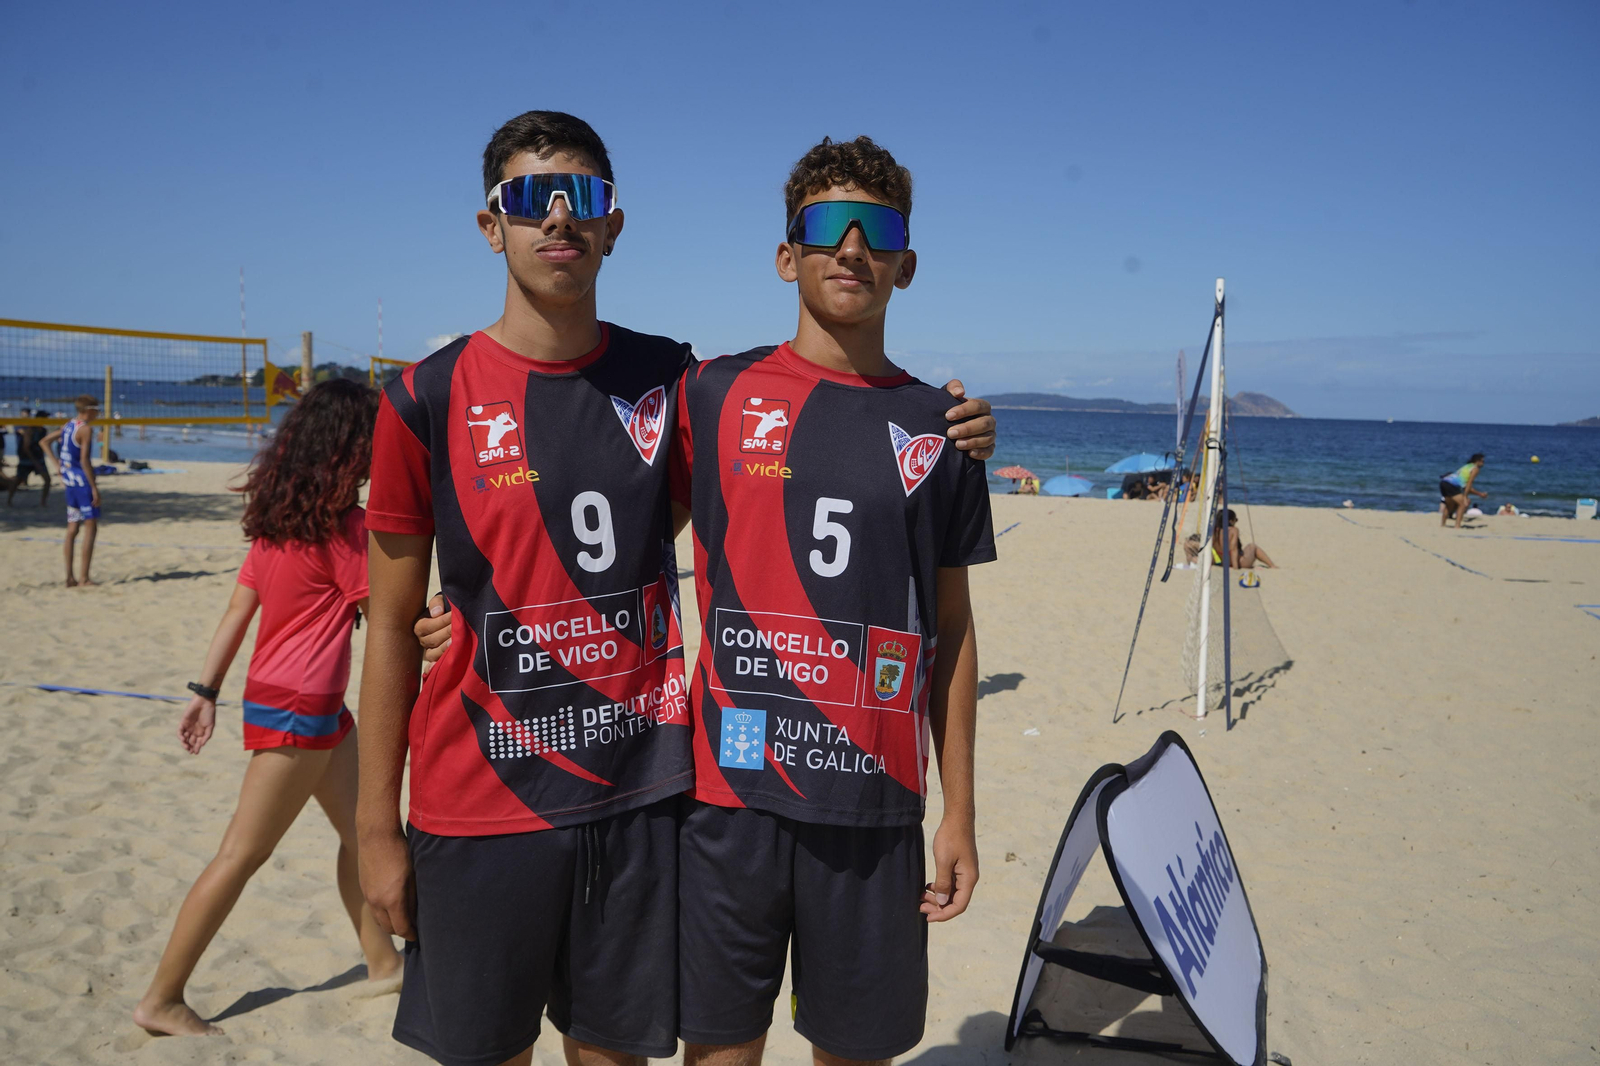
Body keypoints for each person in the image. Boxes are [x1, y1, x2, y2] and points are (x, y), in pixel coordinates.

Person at [361, 110, 1002, 1066]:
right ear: (491, 225)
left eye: (582, 198)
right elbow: (398, 617)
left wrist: (960, 809)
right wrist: (377, 820)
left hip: (657, 793)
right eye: (531, 198)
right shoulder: (445, 395)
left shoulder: (682, 383)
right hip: (551, 796)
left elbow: (935, 611)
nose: (559, 217)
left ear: (614, 223)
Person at [669, 135, 992, 1066]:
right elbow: (607, 527)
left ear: (905, 264)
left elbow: (953, 630)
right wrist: (459, 605)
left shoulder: (944, 426)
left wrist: (960, 812)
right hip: (729, 797)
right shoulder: (714, 392)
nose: (852, 247)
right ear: (788, 256)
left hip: (874, 805)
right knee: (719, 1052)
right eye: (827, 227)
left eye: (876, 230)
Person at [132, 380, 400, 1037]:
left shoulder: (283, 520)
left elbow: (236, 611)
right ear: (353, 447)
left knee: (360, 835)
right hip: (300, 709)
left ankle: (383, 963)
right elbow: (387, 626)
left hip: (299, 704)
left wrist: (205, 693)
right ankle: (162, 999)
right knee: (240, 854)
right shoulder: (346, 529)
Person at [39, 397, 100, 586]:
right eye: (97, 409)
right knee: (90, 527)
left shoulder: (68, 425)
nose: (99, 413)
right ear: (88, 410)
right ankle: (84, 578)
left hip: (70, 484)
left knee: (72, 528)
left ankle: (69, 577)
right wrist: (94, 487)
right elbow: (84, 460)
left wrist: (58, 465)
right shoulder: (85, 429)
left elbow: (44, 442)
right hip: (82, 484)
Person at [7, 408, 53, 507]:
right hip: (27, 459)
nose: (48, 419)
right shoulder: (30, 429)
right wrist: (34, 460)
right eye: (46, 417)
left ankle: (43, 502)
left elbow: (43, 445)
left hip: (39, 459)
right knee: (18, 480)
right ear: (40, 418)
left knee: (47, 480)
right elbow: (26, 447)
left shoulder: (43, 430)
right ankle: (9, 500)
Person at [1439, 453, 1485, 528]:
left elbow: (1466, 486)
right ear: (1477, 461)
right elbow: (1469, 484)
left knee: (1449, 505)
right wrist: (1465, 497)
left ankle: (1443, 525)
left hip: (1444, 482)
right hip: (1452, 485)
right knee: (1462, 504)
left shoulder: (1468, 466)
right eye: (1482, 461)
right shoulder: (1475, 469)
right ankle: (1457, 526)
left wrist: (1479, 494)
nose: (1483, 463)